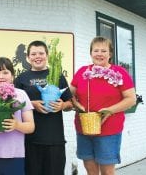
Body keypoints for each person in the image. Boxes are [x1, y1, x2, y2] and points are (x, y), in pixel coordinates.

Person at [70, 36, 136, 175]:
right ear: (91, 53)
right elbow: (69, 94)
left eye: (104, 51)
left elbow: (131, 99)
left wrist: (110, 110)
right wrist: (76, 104)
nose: (99, 54)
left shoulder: (120, 73)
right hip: (84, 128)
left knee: (107, 171)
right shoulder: (82, 72)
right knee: (90, 169)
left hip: (109, 130)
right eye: (96, 50)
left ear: (110, 54)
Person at [15, 40, 73, 175]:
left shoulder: (58, 75)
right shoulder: (21, 79)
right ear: (28, 57)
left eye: (41, 53)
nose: (37, 56)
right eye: (33, 54)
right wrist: (32, 104)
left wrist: (62, 105)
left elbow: (70, 104)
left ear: (47, 55)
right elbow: (14, 105)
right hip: (30, 140)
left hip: (54, 139)